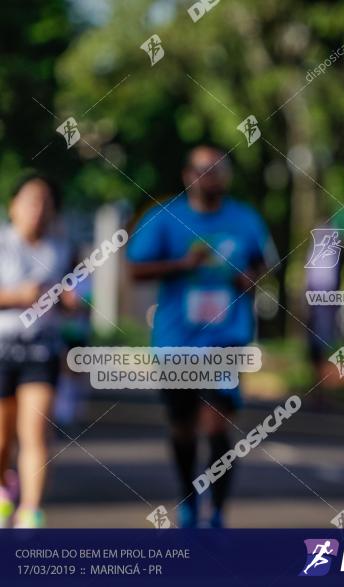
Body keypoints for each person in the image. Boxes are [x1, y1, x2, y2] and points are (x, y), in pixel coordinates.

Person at [127, 145, 277, 528]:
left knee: (215, 424)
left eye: (217, 169)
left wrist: (251, 279)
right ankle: (188, 496)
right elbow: (135, 270)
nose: (209, 176)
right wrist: (182, 264)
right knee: (182, 426)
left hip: (226, 338)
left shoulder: (245, 219)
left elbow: (264, 265)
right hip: (177, 340)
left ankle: (218, 511)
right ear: (186, 175)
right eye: (201, 169)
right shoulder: (165, 217)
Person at [0, 173, 76, 528]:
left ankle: (31, 512)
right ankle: (4, 492)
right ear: (12, 206)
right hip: (2, 347)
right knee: (2, 439)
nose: (38, 208)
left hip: (41, 350)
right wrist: (18, 296)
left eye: (46, 201)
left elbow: (79, 298)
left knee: (35, 434)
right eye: (31, 200)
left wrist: (72, 301)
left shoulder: (61, 248)